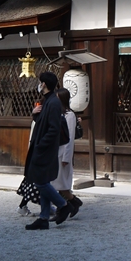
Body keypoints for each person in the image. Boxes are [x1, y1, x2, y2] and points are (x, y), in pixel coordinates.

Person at [22, 71, 71, 230]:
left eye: (40, 82)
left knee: (40, 181)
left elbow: (53, 129)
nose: (39, 84)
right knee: (44, 181)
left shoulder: (54, 102)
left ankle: (63, 205)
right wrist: (34, 114)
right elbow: (44, 123)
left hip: (45, 149)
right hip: (43, 147)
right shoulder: (48, 101)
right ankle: (43, 217)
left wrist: (41, 145)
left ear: (44, 84)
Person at [53, 87, 83, 218]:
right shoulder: (57, 113)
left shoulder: (69, 115)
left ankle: (67, 205)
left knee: (61, 183)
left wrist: (66, 157)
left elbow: (69, 137)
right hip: (55, 152)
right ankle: (71, 203)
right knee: (58, 183)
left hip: (63, 153)